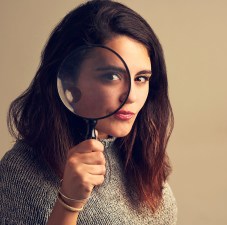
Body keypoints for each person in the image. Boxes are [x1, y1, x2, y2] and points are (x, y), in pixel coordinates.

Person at [0, 0, 177, 225]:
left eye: (141, 78)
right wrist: (68, 203)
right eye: (112, 76)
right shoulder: (20, 173)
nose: (131, 96)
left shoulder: (138, 154)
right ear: (68, 81)